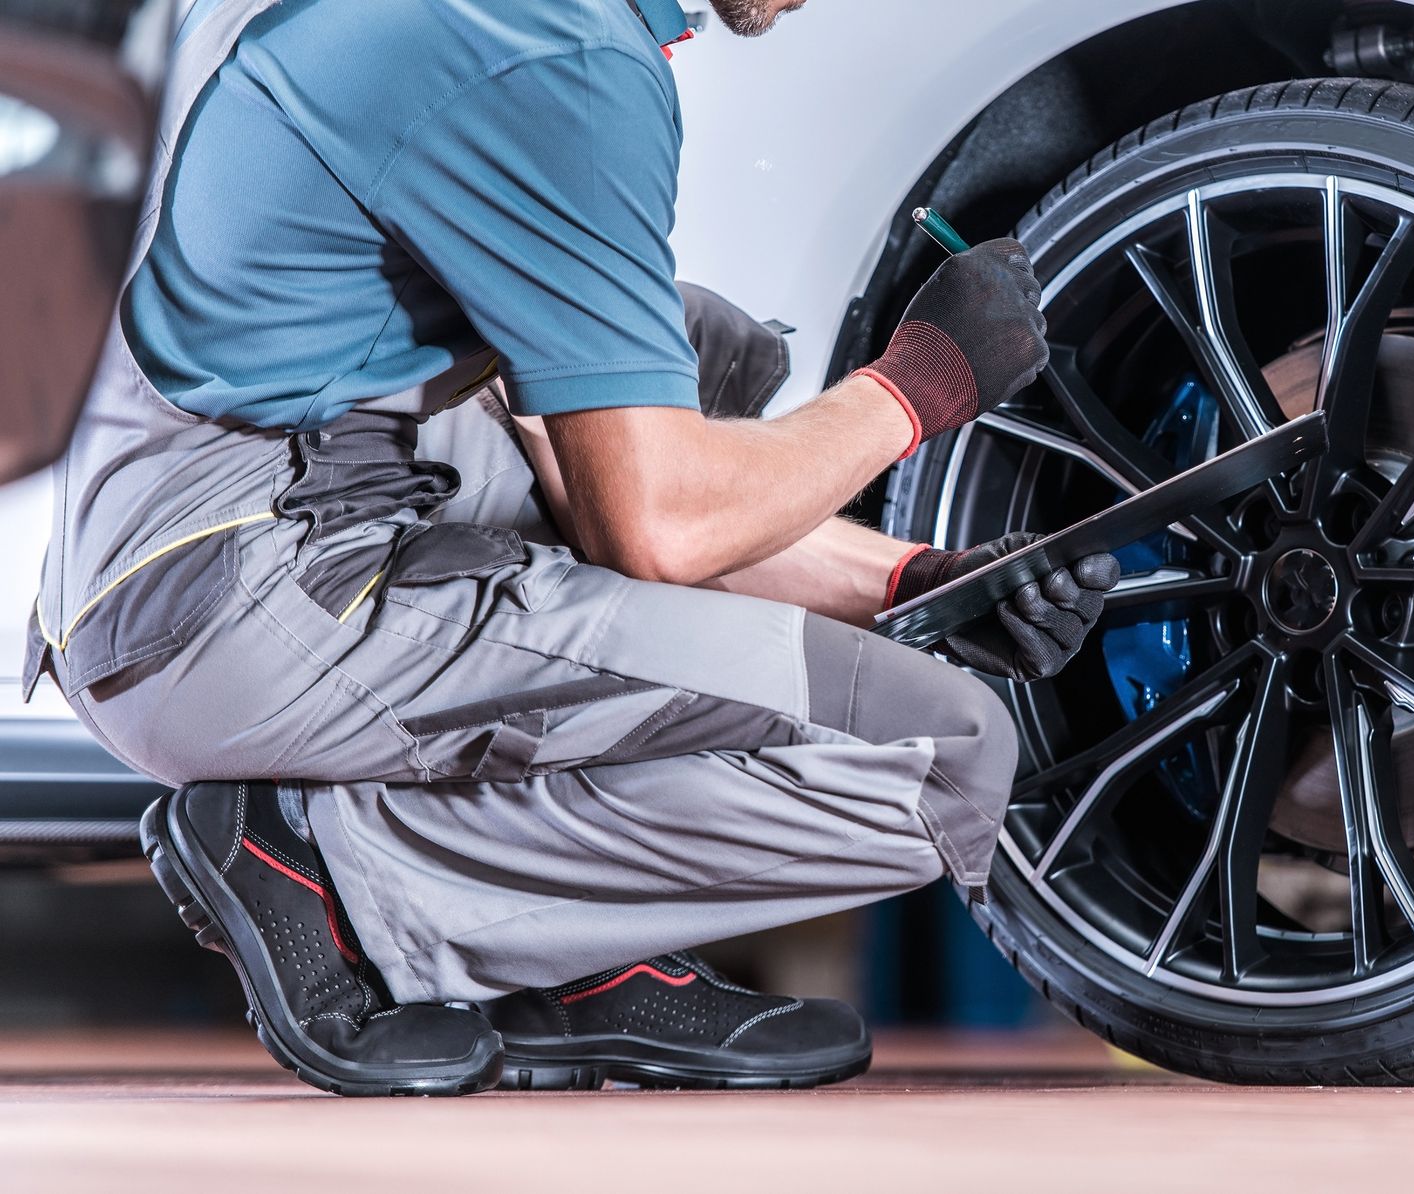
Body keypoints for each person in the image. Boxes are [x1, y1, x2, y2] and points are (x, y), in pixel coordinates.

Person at [28, 0, 1120, 1097]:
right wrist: (919, 387)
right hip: (239, 594)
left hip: (169, 533)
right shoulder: (558, 55)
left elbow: (584, 473)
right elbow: (658, 525)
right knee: (936, 751)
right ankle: (330, 869)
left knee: (695, 351)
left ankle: (557, 954)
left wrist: (911, 582)